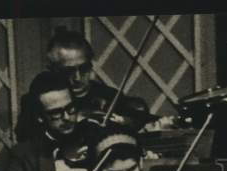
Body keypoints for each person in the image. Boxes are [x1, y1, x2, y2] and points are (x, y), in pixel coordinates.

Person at [14, 28, 153, 142]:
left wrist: (125, 122)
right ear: (52, 70)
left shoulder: (108, 95)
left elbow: (140, 119)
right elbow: (26, 139)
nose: (78, 78)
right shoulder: (37, 100)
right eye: (68, 71)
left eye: (84, 68)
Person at [8, 70, 88, 171]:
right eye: (56, 113)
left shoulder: (92, 142)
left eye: (70, 108)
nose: (67, 117)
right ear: (40, 117)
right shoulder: (22, 155)